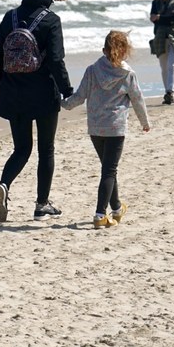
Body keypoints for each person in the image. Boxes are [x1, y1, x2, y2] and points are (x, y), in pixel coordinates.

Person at [0, 0, 73, 222]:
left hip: (13, 93)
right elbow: (56, 60)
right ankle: (41, 204)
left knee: (21, 148)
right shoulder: (51, 20)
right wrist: (68, 91)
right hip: (44, 95)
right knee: (46, 149)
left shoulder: (9, 17)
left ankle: (4, 185)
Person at [61, 31, 150, 228]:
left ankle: (117, 208)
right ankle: (100, 214)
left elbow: (79, 96)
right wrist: (145, 122)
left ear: (103, 50)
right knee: (109, 171)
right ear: (125, 52)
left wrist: (63, 104)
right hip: (115, 128)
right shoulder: (128, 74)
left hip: (95, 128)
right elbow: (137, 99)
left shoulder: (92, 70)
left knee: (108, 169)